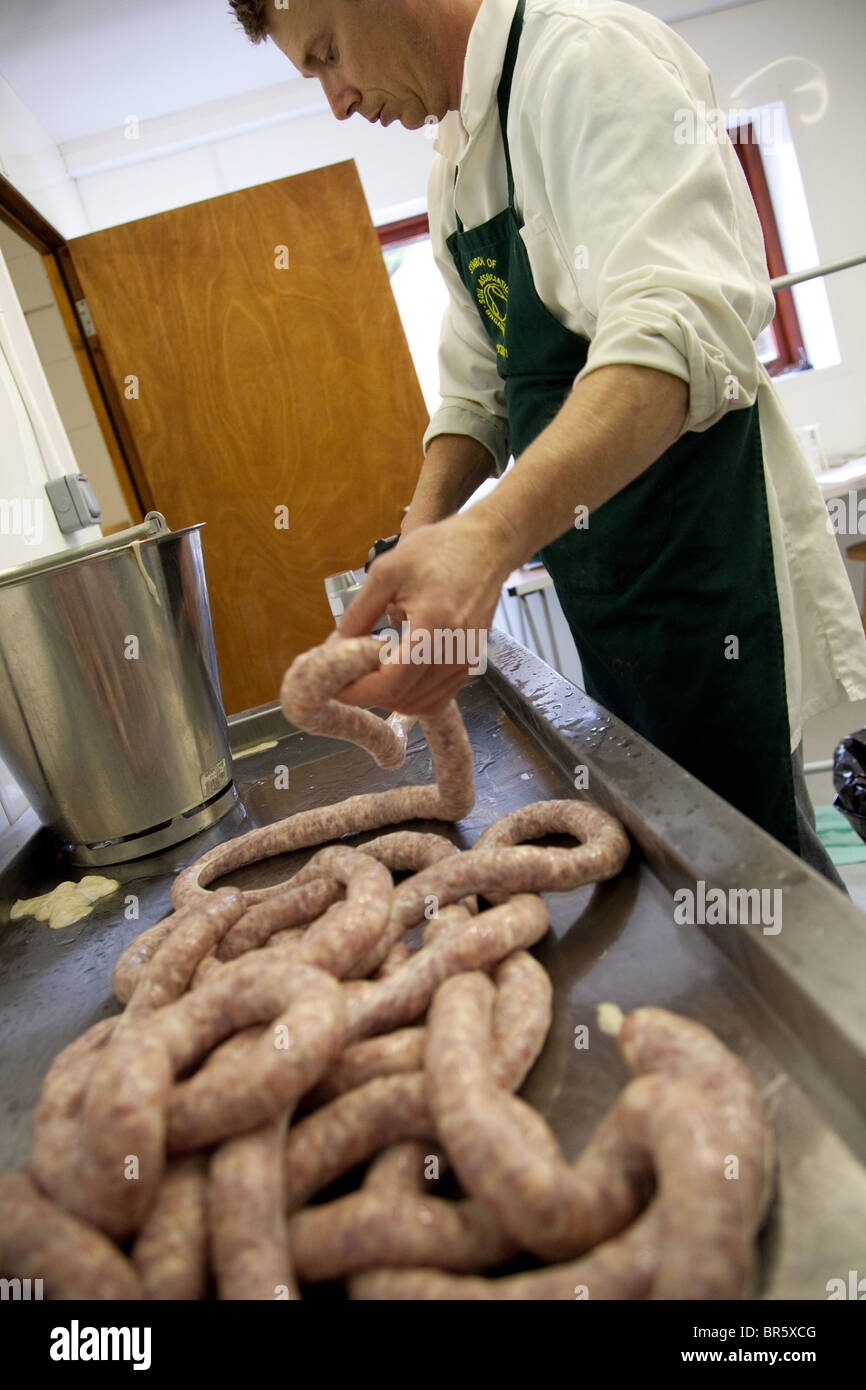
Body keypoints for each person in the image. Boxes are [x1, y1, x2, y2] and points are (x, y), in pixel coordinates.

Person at [229, 0, 866, 889]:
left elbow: (675, 330)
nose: (337, 100)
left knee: (765, 883)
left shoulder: (587, 61)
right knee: (690, 865)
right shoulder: (454, 173)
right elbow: (476, 391)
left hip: (720, 590)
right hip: (614, 608)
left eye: (330, 54)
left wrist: (489, 540)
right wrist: (422, 538)